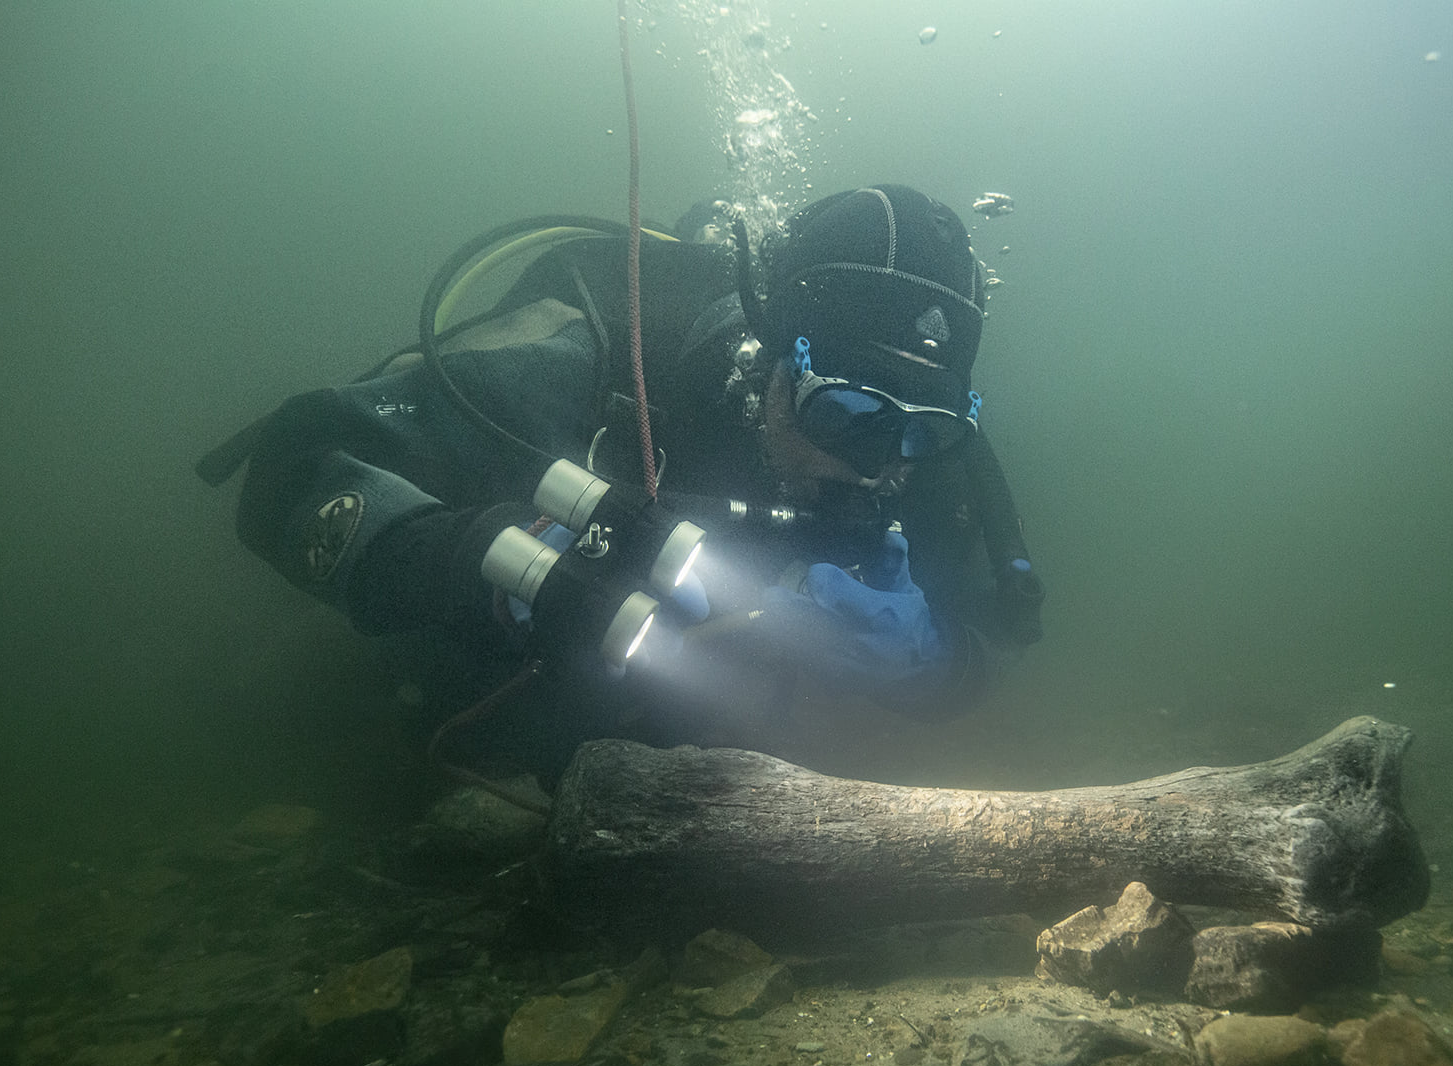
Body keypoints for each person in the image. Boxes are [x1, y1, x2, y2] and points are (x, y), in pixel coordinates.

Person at [198, 184, 1044, 786]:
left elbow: (989, 645)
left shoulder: (923, 453)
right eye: (845, 411)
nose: (878, 464)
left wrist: (926, 663)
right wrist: (475, 553)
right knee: (313, 708)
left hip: (672, 741)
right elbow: (292, 464)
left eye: (924, 429)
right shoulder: (596, 346)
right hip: (462, 656)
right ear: (771, 358)